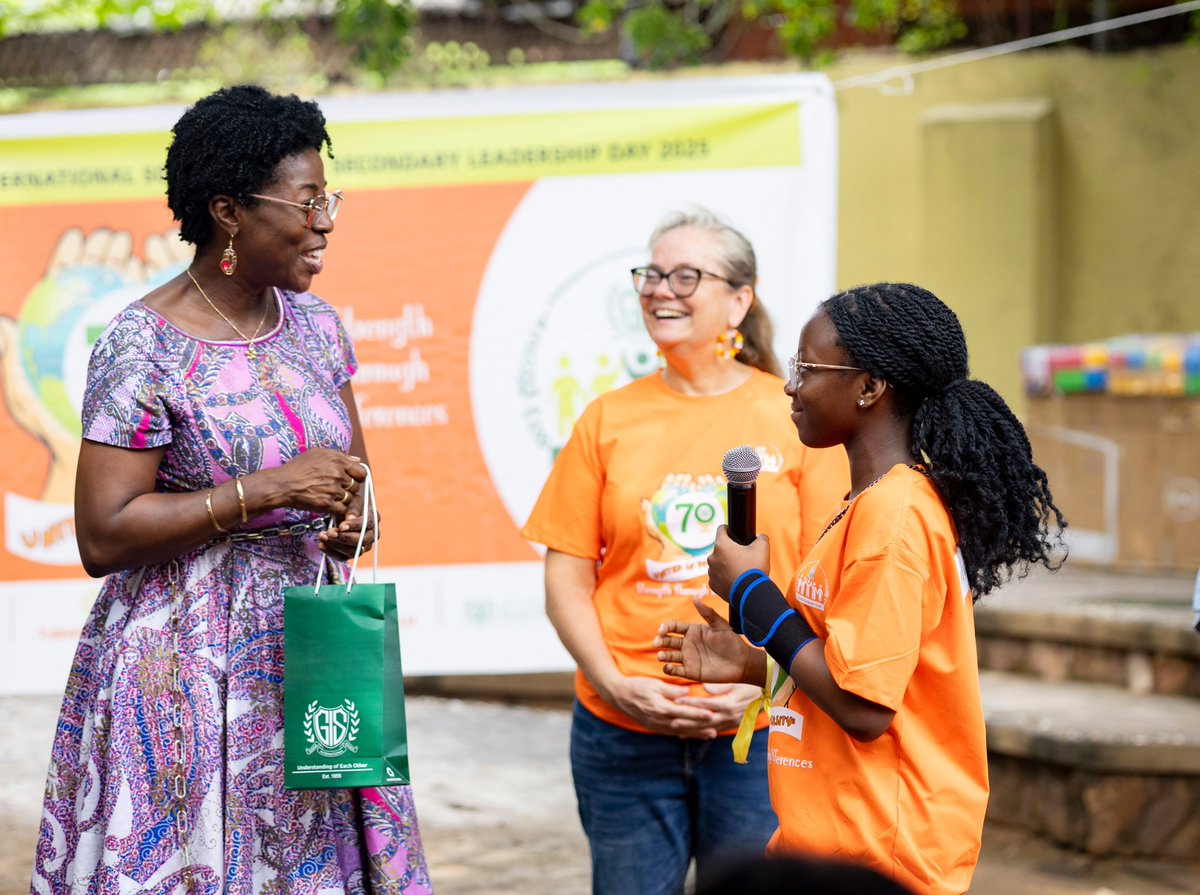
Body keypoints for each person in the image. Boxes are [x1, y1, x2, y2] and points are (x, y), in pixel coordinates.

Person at [30, 86, 432, 894]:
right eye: (308, 200)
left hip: (313, 656)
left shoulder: (318, 327)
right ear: (228, 211)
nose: (326, 221)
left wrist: (354, 516)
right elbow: (102, 534)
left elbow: (353, 482)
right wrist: (265, 489)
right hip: (181, 665)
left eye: (331, 198)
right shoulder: (142, 344)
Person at [655, 282, 1066, 895]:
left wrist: (750, 593)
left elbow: (865, 708)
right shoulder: (870, 505)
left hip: (880, 851)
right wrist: (755, 666)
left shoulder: (896, 518)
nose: (791, 386)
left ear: (870, 388)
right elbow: (854, 666)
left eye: (807, 368)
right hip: (831, 833)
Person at [520, 208, 850, 895]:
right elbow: (567, 576)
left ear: (739, 298)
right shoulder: (609, 417)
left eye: (685, 275)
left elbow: (832, 581)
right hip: (622, 728)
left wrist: (759, 681)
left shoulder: (797, 419)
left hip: (762, 727)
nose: (660, 289)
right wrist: (615, 683)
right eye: (651, 273)